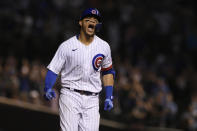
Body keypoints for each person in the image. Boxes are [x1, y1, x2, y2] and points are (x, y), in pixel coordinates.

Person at [44, 8, 115, 131]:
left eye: (95, 20)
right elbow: (53, 69)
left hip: (93, 99)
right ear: (80, 22)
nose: (92, 22)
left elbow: (108, 71)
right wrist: (47, 87)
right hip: (70, 95)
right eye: (88, 19)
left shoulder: (104, 47)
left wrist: (109, 95)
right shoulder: (67, 46)